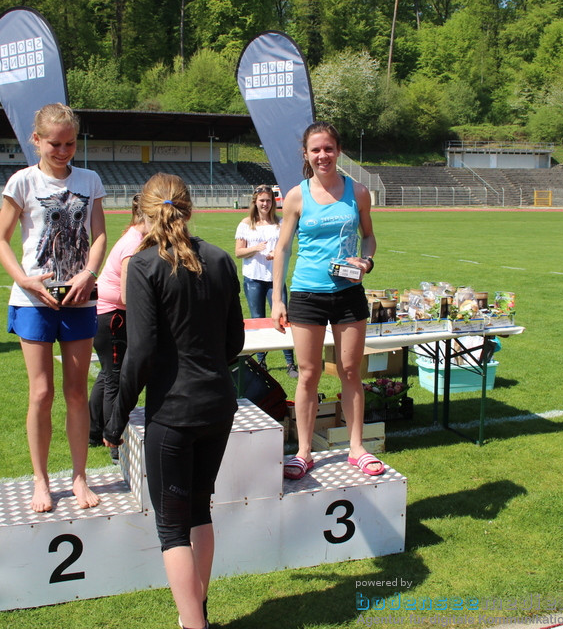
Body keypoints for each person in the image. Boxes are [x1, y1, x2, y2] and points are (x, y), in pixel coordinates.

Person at [104, 173, 244, 629]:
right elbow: (234, 342)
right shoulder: (221, 259)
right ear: (191, 208)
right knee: (199, 508)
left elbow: (139, 354)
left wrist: (115, 418)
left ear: (141, 214)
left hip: (175, 411)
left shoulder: (142, 266)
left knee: (171, 528)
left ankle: (193, 624)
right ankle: (197, 616)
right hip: (217, 404)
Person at [0, 103, 107, 513]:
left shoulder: (90, 179)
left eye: (70, 143)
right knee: (41, 393)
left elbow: (99, 235)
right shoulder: (22, 182)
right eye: (54, 144)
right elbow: (1, 240)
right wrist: (24, 280)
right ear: (36, 140)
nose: (62, 151)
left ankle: (79, 477)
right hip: (34, 300)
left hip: (78, 298)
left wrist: (90, 273)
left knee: (76, 393)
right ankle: (40, 480)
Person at [271, 121, 381, 481]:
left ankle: (356, 447)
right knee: (308, 374)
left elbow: (369, 237)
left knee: (350, 371)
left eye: (329, 148)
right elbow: (283, 249)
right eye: (315, 149)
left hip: (349, 293)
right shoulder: (296, 196)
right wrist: (277, 298)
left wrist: (367, 261)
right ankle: (303, 451)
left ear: (338, 151)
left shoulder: (359, 192)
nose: (323, 155)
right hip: (307, 294)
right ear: (306, 154)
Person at [89, 194, 145, 458]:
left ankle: (93, 431)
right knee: (116, 381)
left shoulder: (133, 236)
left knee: (106, 376)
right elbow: (126, 294)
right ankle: (114, 444)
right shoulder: (134, 244)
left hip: (105, 316)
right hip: (112, 318)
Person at [235, 184, 298, 377]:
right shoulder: (246, 224)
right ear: (255, 202)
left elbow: (287, 250)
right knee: (258, 319)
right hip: (253, 279)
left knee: (283, 319)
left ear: (273, 203)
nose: (265, 204)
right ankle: (260, 363)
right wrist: (257, 248)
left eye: (269, 201)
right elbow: (238, 252)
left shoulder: (281, 224)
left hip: (275, 279)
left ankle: (290, 363)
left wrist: (275, 254)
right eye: (262, 200)